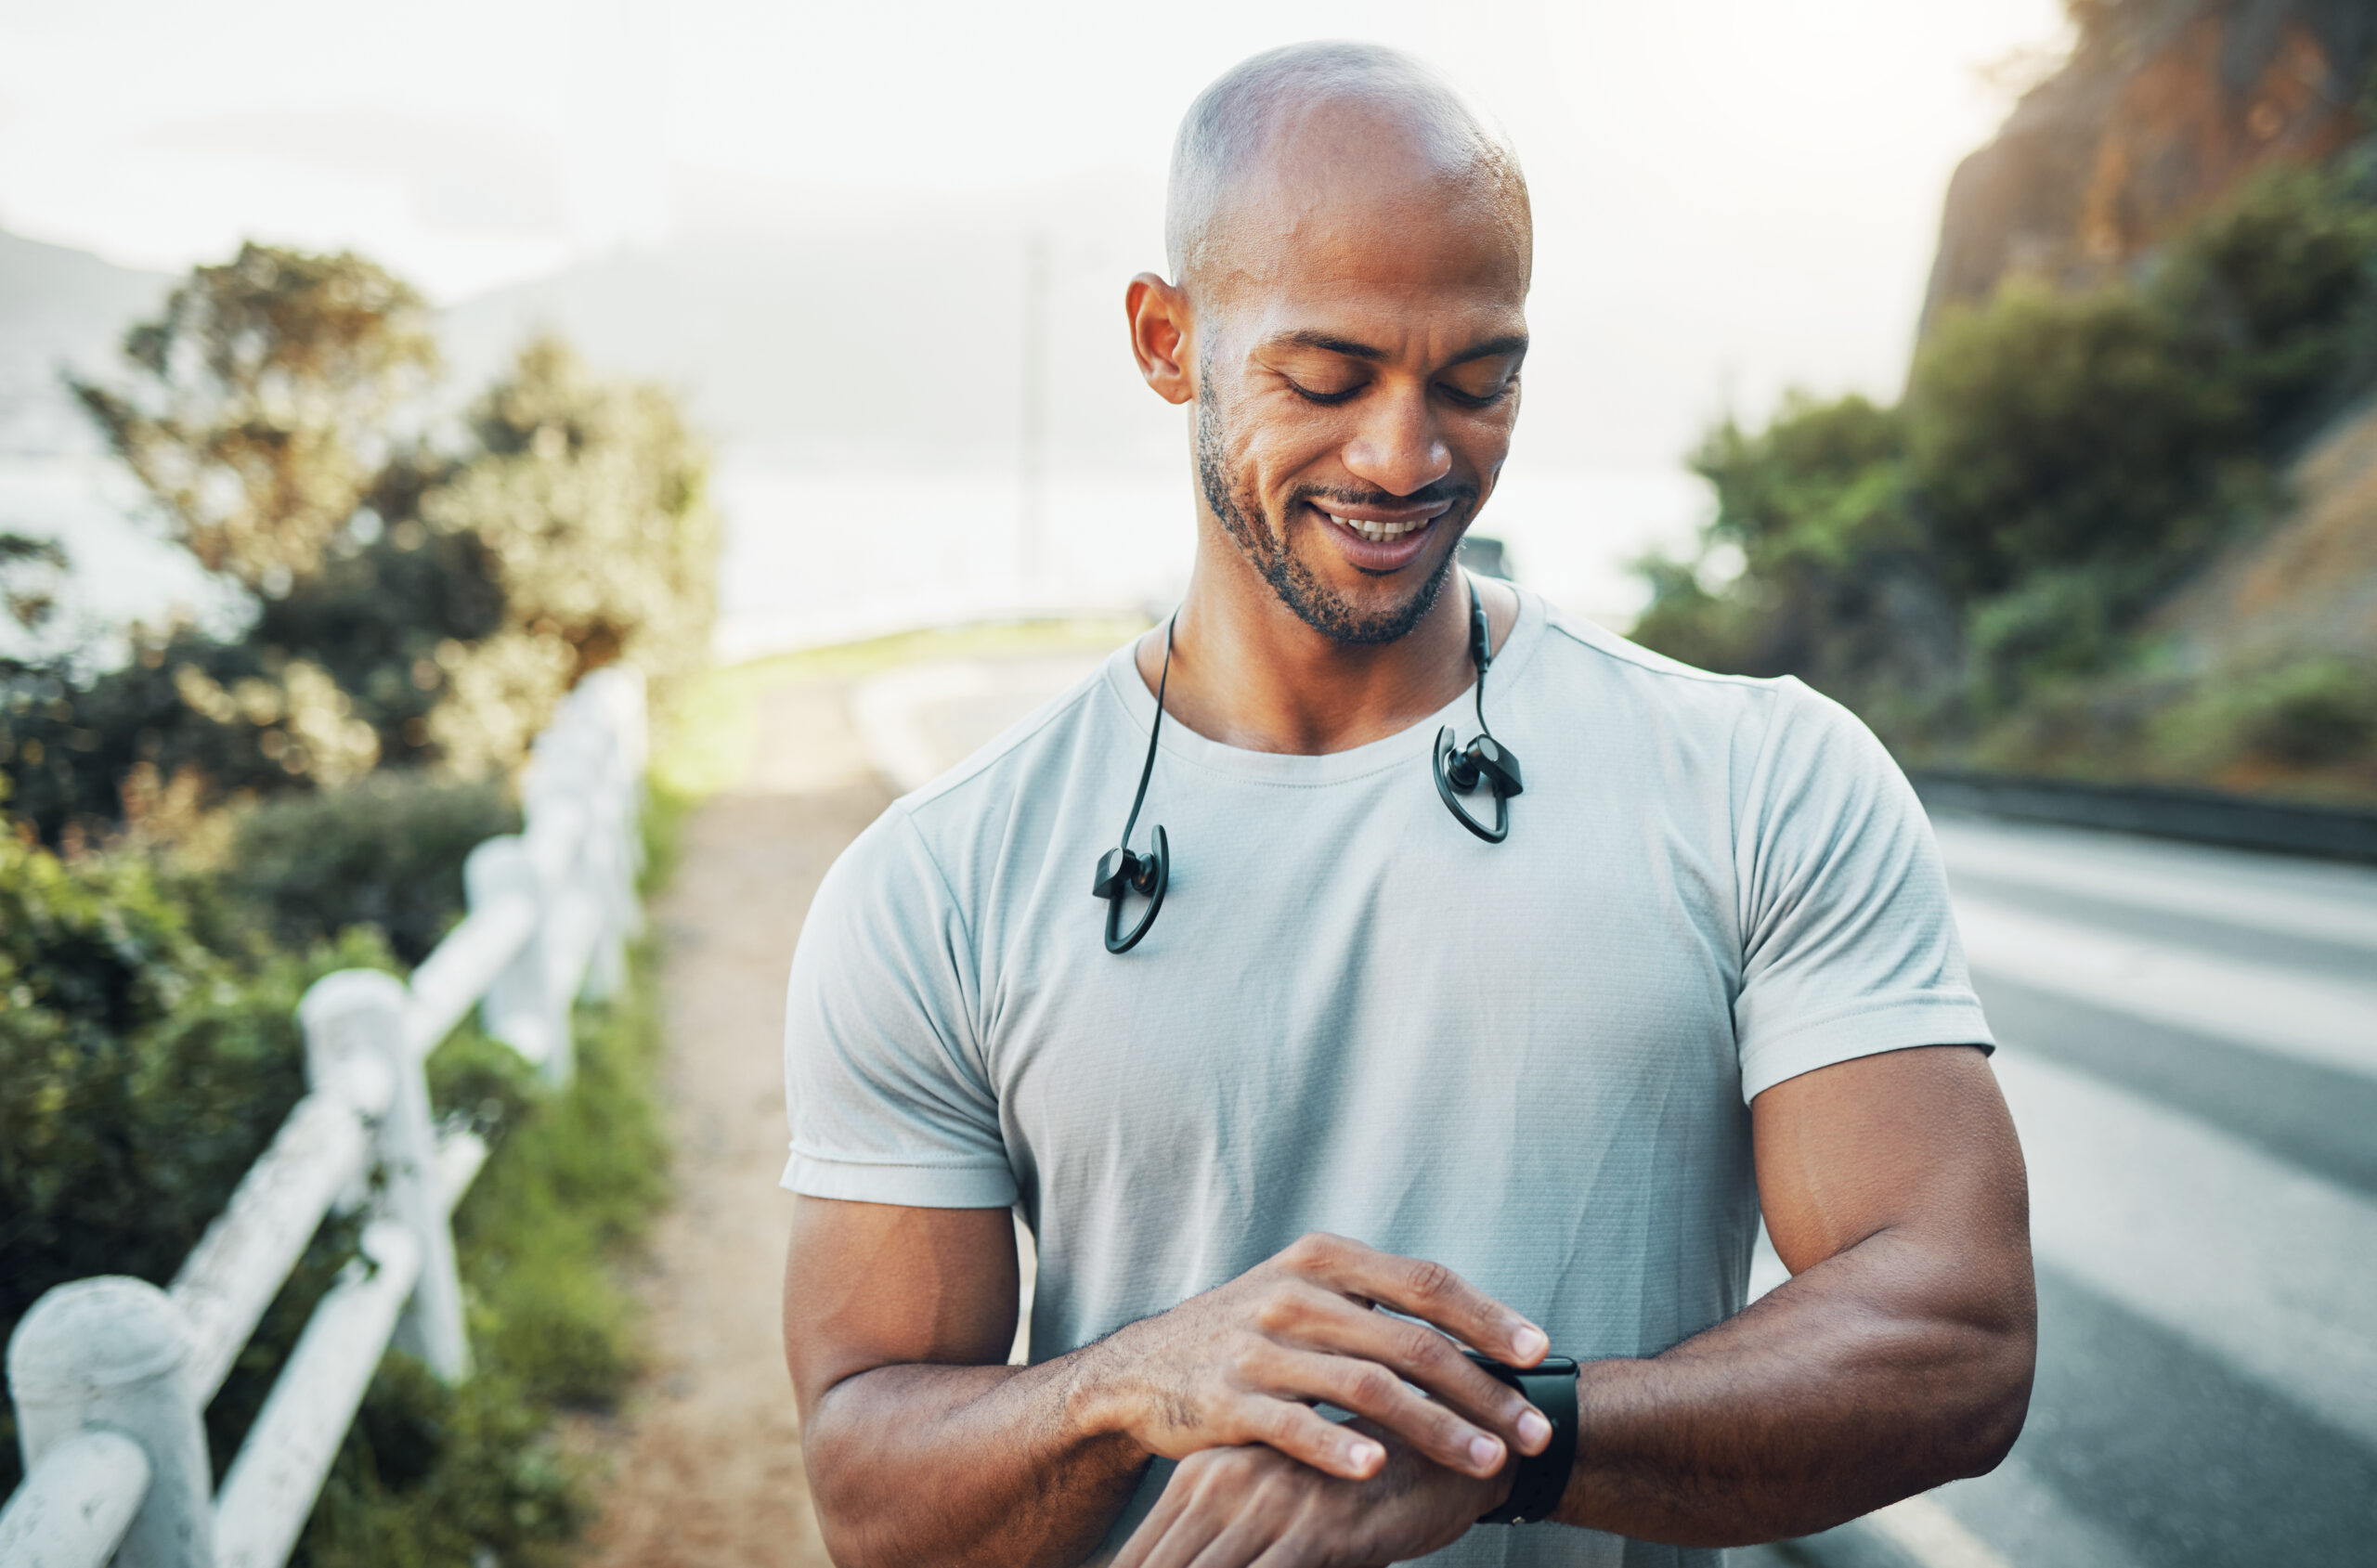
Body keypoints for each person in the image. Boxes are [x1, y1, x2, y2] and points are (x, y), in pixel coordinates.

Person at [777, 40, 2034, 1568]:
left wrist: (1501, 1442)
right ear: (1167, 339)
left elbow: (1955, 1340)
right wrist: (1139, 1384)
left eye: (1476, 381)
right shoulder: (937, 879)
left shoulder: (1764, 776)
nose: (1407, 456)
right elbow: (870, 1492)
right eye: (1327, 376)